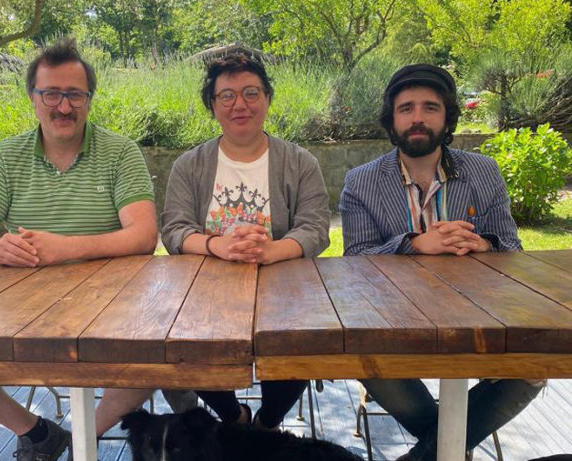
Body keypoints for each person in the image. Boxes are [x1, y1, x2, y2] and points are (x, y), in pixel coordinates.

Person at [0, 38, 158, 461]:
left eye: (75, 95)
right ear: (33, 98)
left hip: (111, 303)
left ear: (89, 100)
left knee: (155, 355)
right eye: (51, 94)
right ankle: (36, 432)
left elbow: (144, 235)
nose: (63, 106)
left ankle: (83, 437)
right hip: (22, 308)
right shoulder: (7, 157)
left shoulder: (120, 152)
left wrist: (65, 248)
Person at [339, 63, 543, 460]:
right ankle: (446, 450)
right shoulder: (361, 181)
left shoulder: (483, 172)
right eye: (406, 108)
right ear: (391, 118)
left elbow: (512, 249)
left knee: (534, 367)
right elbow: (355, 260)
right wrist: (416, 243)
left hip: (477, 318)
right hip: (394, 321)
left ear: (447, 116)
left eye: (430, 107)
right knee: (363, 360)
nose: (417, 117)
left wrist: (483, 243)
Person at [161, 53, 330, 430]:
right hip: (206, 293)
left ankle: (267, 423)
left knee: (302, 339)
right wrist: (217, 245)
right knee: (182, 340)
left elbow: (316, 226)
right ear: (212, 105)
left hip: (283, 290)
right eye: (227, 96)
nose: (240, 104)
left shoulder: (300, 162)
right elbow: (174, 228)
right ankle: (233, 417)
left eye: (251, 93)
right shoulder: (189, 165)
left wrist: (272, 250)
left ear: (267, 99)